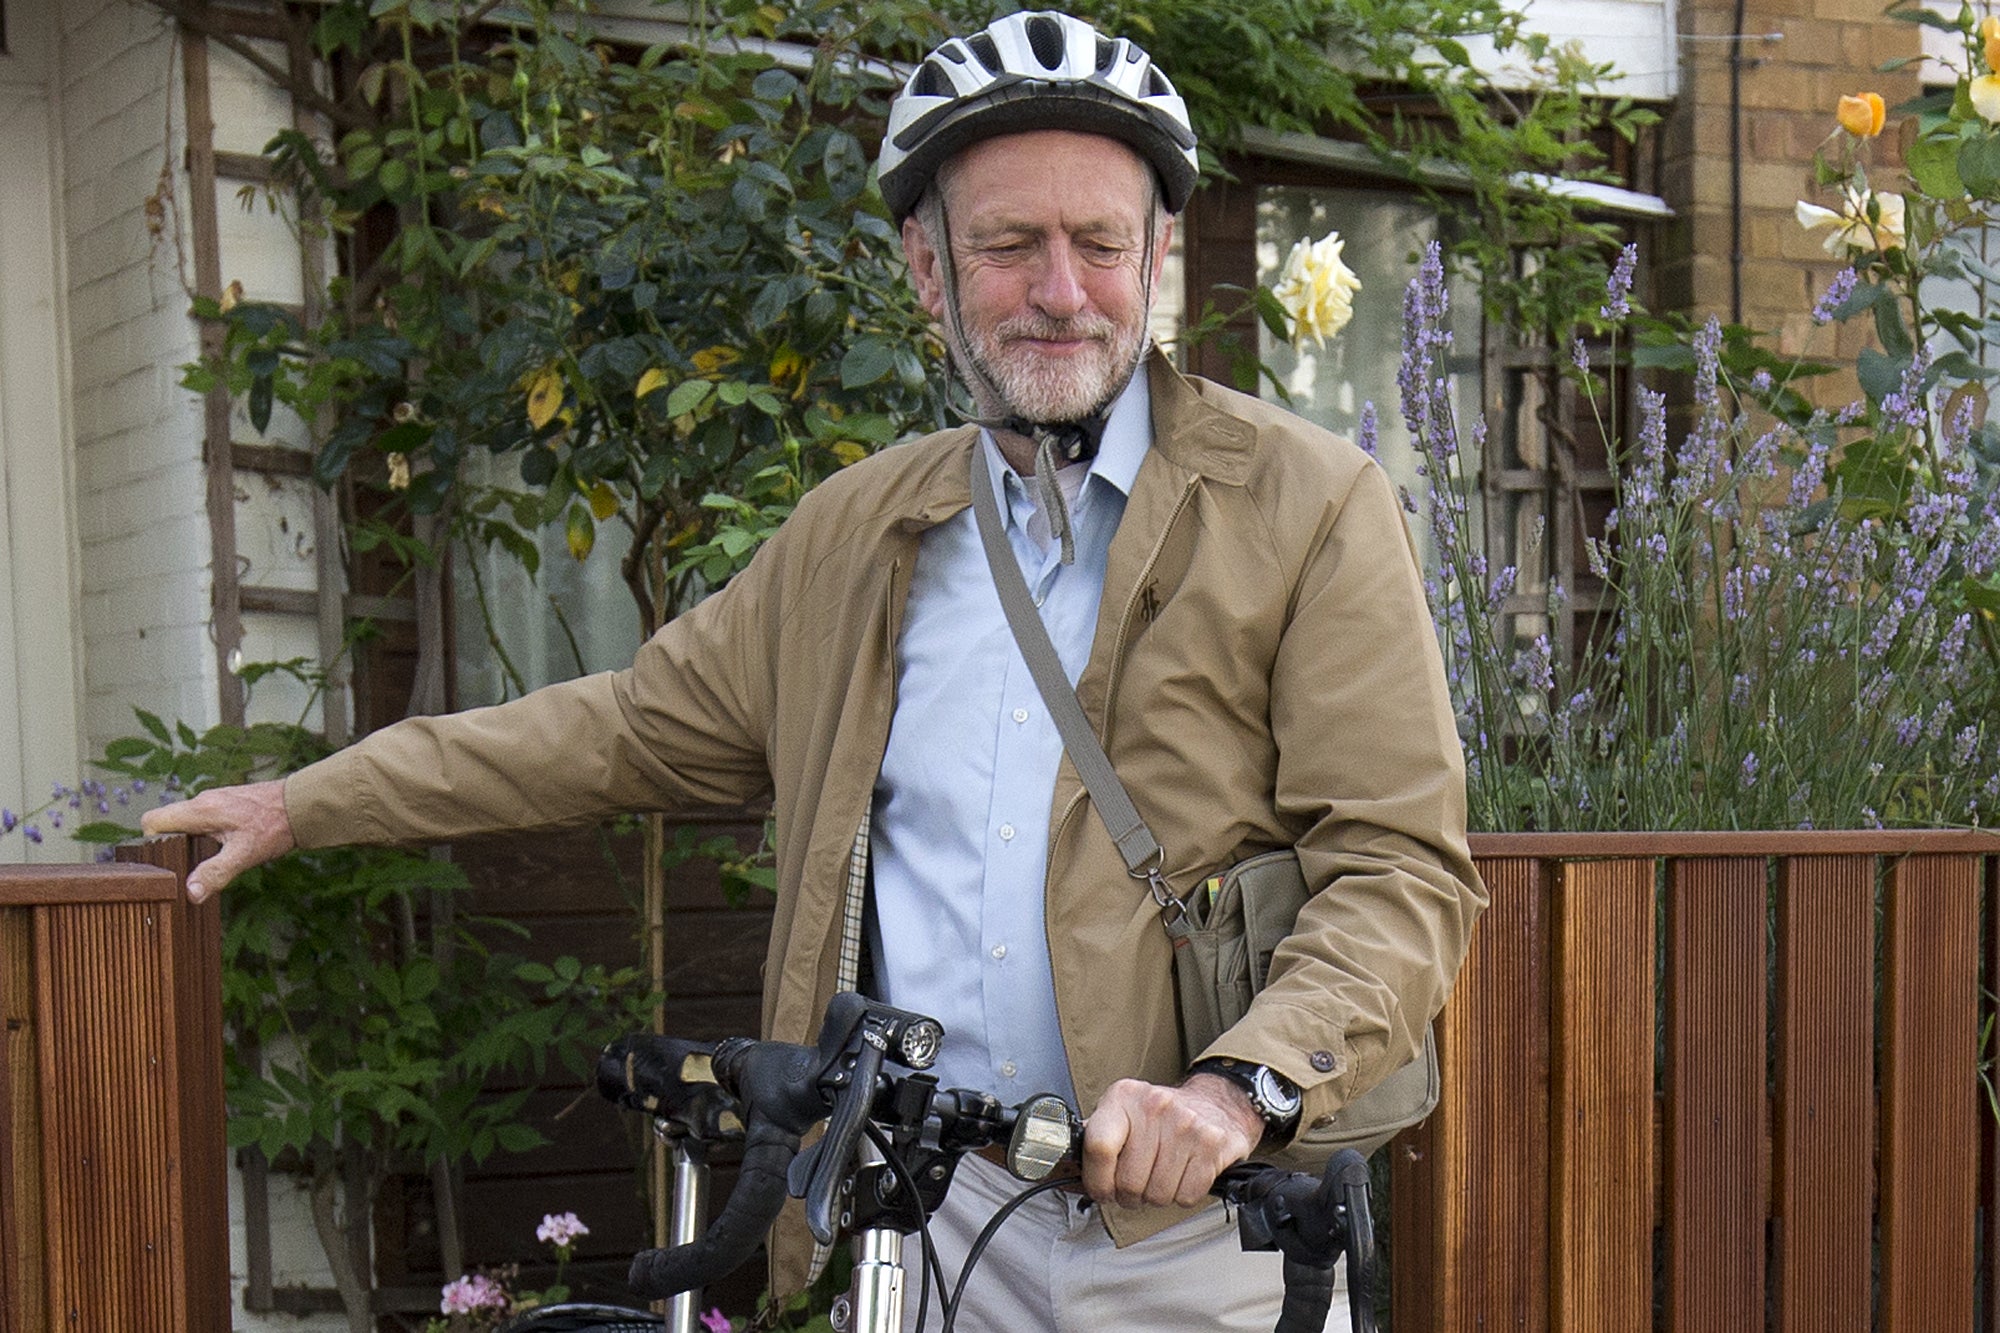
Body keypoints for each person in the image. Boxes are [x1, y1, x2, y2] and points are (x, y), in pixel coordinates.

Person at [146, 12, 1484, 1329]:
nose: (1061, 291)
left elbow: (1398, 866)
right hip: (931, 1223)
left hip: (1203, 1233)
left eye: (1101, 245)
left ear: (1161, 254)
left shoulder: (1306, 504)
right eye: (1009, 246)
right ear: (926, 267)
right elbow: (614, 729)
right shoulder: (859, 532)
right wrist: (308, 801)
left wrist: (1232, 1091)